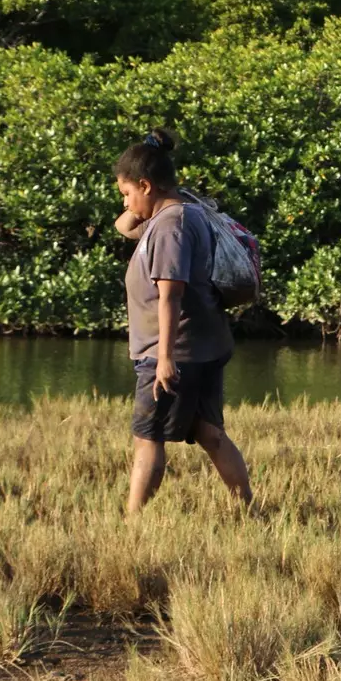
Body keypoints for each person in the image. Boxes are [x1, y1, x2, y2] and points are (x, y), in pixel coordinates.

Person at [113, 129, 253, 516]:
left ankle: (132, 523)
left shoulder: (170, 225)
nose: (125, 203)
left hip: (175, 350)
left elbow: (170, 295)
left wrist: (164, 358)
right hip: (204, 345)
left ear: (146, 184)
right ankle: (247, 512)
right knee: (209, 432)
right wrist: (148, 186)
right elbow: (122, 227)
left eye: (127, 193)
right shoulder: (178, 214)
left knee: (147, 437)